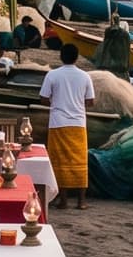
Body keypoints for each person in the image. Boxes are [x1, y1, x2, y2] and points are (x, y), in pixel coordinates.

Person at [37, 43, 96, 209]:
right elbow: (90, 102)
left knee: (59, 161)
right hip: (78, 124)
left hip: (58, 123)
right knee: (80, 161)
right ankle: (81, 201)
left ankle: (63, 200)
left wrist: (57, 102)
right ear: (77, 58)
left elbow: (43, 98)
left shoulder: (52, 75)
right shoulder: (85, 76)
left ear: (61, 57)